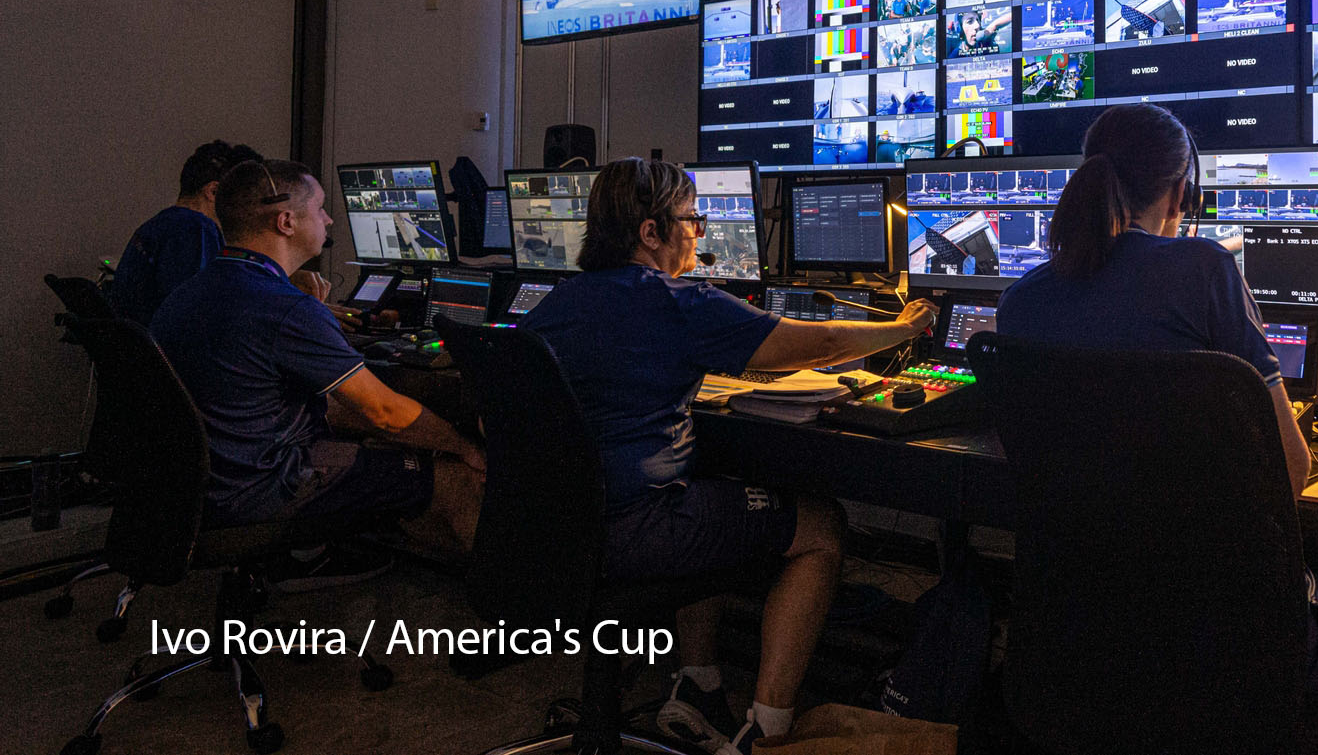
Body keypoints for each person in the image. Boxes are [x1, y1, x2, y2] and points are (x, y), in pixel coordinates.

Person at [523, 159, 938, 754]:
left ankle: (699, 686)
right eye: (691, 219)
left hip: (551, 530)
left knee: (712, 480)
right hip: (637, 529)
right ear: (650, 232)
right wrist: (903, 328)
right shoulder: (677, 301)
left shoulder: (556, 303)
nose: (699, 232)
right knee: (821, 525)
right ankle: (767, 733)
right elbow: (819, 342)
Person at [994, 104, 1318, 695]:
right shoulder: (1205, 269)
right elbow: (1291, 469)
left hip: (1077, 643)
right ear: (1181, 193)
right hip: (1221, 647)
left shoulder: (1020, 301)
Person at [151, 161, 485, 585]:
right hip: (258, 491)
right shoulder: (285, 308)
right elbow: (384, 412)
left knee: (379, 442)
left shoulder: (191, 292)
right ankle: (504, 602)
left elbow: (328, 406)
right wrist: (463, 446)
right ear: (287, 221)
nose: (328, 220)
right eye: (320, 208)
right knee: (454, 474)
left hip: (194, 488)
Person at [109, 140, 263, 326]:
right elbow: (197, 314)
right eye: (247, 197)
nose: (252, 209)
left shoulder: (161, 223)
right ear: (214, 192)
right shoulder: (196, 229)